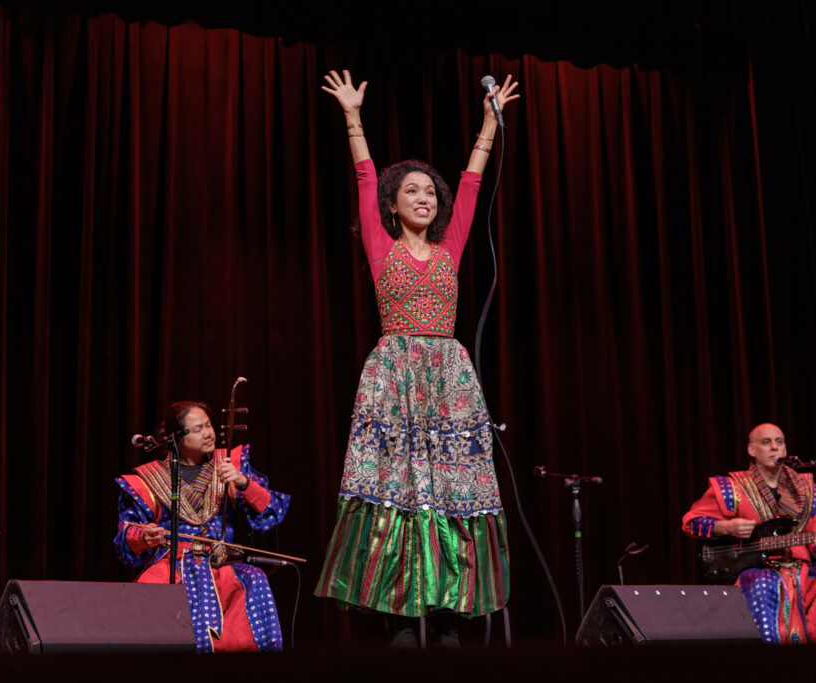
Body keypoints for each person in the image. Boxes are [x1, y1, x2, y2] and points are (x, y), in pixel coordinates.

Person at [313, 69, 519, 647]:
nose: (424, 198)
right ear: (393, 206)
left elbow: (473, 184)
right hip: (394, 378)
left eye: (430, 192)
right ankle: (399, 614)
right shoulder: (382, 248)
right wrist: (353, 117)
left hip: (449, 380)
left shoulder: (451, 248)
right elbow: (363, 174)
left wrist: (486, 125)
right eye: (412, 192)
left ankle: (451, 610)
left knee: (455, 492)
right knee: (397, 492)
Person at [114, 401, 291, 652]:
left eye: (208, 425)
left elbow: (271, 513)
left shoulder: (229, 464)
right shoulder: (149, 479)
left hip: (220, 564)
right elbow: (127, 533)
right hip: (171, 565)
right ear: (176, 437)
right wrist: (146, 534)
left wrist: (243, 483)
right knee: (151, 591)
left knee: (254, 578)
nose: (208, 433)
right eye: (198, 429)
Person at [682, 422, 816, 644]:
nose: (774, 447)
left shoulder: (808, 490)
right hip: (755, 568)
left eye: (779, 442)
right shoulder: (732, 487)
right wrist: (726, 527)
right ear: (752, 450)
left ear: (785, 449)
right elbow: (691, 522)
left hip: (802, 572)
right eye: (766, 442)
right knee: (763, 584)